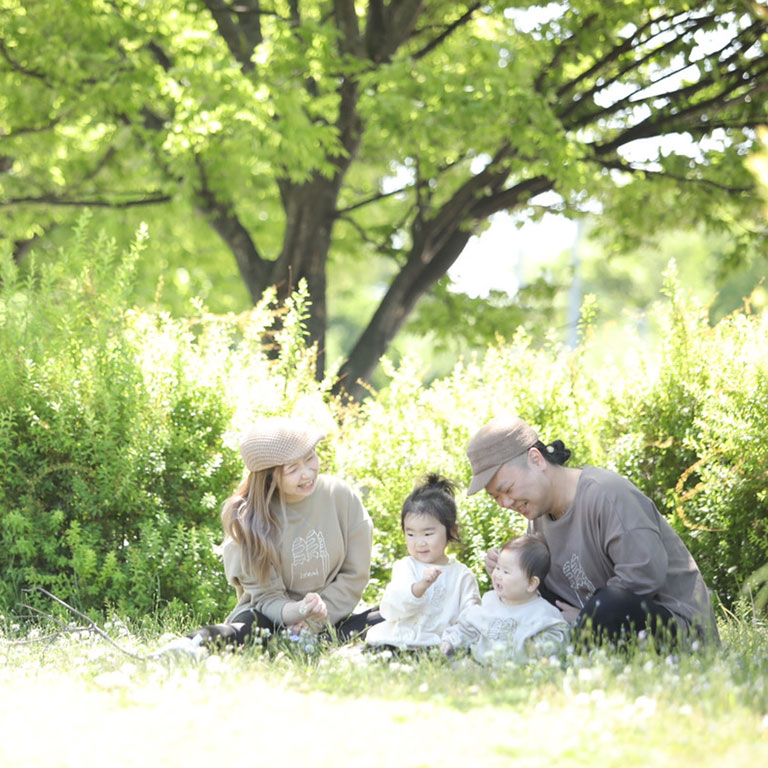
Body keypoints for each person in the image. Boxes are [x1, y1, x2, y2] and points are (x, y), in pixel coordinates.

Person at [465, 415, 719, 646]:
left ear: (536, 459)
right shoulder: (538, 516)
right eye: (496, 497)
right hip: (596, 625)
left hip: (675, 628)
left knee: (610, 606)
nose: (506, 504)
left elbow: (642, 578)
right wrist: (509, 572)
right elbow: (543, 592)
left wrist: (587, 618)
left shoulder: (607, 494)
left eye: (507, 490)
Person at [156, 416, 380, 655]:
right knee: (247, 629)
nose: (307, 474)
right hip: (269, 619)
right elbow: (266, 599)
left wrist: (314, 621)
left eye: (310, 458)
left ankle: (317, 643)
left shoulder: (340, 496)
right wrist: (300, 612)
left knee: (391, 614)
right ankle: (189, 647)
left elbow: (355, 575)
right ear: (269, 476)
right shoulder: (249, 521)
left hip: (332, 617)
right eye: (292, 469)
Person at [365, 474, 481, 652]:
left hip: (439, 645)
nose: (419, 542)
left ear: (452, 531)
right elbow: (391, 609)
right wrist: (419, 587)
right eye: (411, 534)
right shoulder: (405, 567)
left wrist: (451, 642)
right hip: (397, 642)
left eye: (428, 534)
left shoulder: (462, 575)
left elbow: (471, 617)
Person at [441, 534, 570, 664]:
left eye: (506, 572)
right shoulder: (490, 601)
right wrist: (450, 640)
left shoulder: (543, 612)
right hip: (481, 665)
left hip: (519, 671)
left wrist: (536, 650)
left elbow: (559, 637)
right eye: (497, 568)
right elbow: (468, 627)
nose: (498, 575)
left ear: (531, 584)